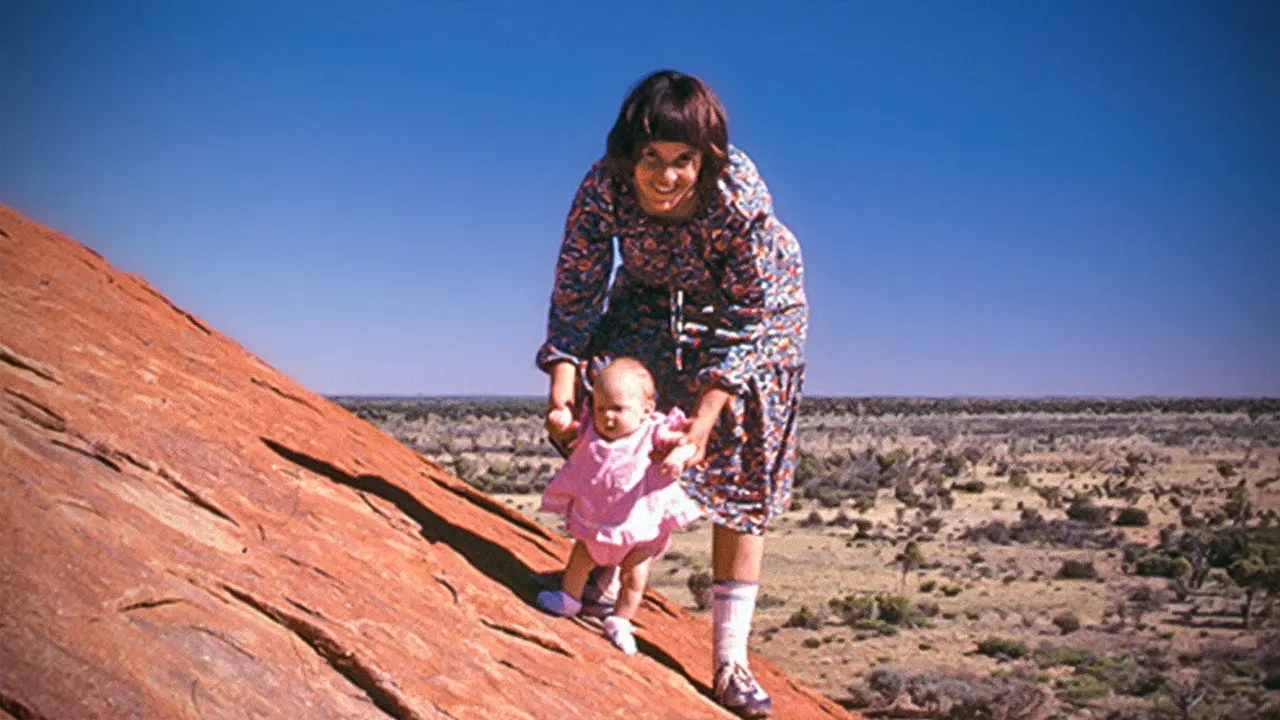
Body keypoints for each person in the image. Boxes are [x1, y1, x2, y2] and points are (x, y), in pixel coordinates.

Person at [536, 70, 807, 719]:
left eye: (683, 160)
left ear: (705, 159)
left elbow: (747, 319)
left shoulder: (737, 195)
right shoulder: (604, 188)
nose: (665, 176)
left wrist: (705, 421)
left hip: (756, 316)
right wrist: (564, 393)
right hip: (652, 297)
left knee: (741, 455)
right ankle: (603, 569)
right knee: (615, 397)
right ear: (628, 153)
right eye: (651, 158)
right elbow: (577, 291)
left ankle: (730, 660)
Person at [535, 357, 704, 655]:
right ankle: (569, 599)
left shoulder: (654, 431)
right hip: (597, 520)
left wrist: (678, 455)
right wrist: (561, 420)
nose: (607, 417)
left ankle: (621, 619)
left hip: (639, 523)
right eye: (601, 408)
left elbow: (686, 442)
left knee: (634, 576)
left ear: (646, 409)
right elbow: (571, 431)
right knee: (581, 559)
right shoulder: (592, 430)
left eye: (618, 409)